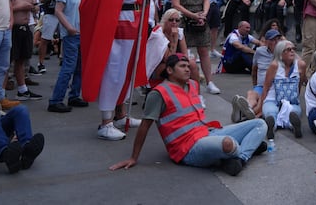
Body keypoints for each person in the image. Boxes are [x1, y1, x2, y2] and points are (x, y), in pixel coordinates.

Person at [109, 53, 267, 177]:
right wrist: (133, 157)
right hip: (187, 148)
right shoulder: (158, 94)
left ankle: (241, 157)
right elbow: (144, 126)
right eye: (182, 66)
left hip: (208, 132)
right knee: (228, 143)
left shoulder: (192, 85)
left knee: (260, 124)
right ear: (170, 71)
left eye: (188, 66)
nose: (187, 69)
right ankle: (246, 148)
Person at [79, 0, 155, 140]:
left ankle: (121, 115)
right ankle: (106, 123)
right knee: (113, 73)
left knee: (125, 72)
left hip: (130, 26)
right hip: (117, 28)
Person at [168, 0, 220, 94]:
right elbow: (176, 5)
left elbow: (206, 0)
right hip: (184, 19)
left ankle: (209, 82)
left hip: (200, 17)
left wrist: (204, 14)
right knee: (182, 52)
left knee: (204, 51)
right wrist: (193, 15)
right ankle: (183, 82)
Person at [48, 0, 89, 113]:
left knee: (80, 67)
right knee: (68, 67)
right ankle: (56, 100)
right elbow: (58, 10)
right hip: (72, 33)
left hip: (84, 32)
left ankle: (74, 95)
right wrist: (69, 28)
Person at [231, 27, 283, 122]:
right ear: (266, 42)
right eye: (273, 40)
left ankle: (242, 113)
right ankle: (247, 109)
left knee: (261, 105)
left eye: (278, 39)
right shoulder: (259, 51)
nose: (276, 42)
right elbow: (254, 70)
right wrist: (255, 84)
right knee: (252, 93)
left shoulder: (284, 52)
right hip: (261, 85)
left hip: (274, 88)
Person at [261, 39, 306, 139]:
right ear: (281, 52)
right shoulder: (274, 65)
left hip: (291, 100)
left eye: (293, 49)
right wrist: (261, 106)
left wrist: (295, 99)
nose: (292, 51)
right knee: (270, 112)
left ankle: (293, 125)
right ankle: (271, 126)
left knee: (294, 112)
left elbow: (300, 85)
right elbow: (266, 87)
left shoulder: (301, 65)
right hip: (272, 99)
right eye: (289, 49)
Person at [10, 0, 42, 101]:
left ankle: (22, 89)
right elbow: (6, 7)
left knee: (22, 60)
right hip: (13, 27)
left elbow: (34, 5)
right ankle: (1, 91)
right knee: (8, 61)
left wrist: (33, 7)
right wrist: (22, 6)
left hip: (25, 26)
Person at [37, 0, 64, 75]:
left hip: (62, 13)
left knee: (64, 38)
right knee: (45, 39)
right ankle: (41, 62)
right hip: (50, 13)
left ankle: (62, 59)